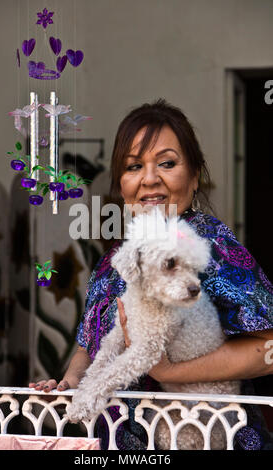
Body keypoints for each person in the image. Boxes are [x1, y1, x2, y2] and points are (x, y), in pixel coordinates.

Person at [29, 98, 273, 450]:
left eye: (167, 163)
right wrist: (70, 385)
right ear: (120, 183)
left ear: (194, 174)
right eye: (133, 167)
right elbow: (88, 346)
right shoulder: (115, 259)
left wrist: (169, 371)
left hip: (207, 438)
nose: (149, 179)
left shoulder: (211, 246)